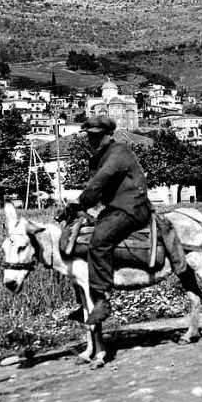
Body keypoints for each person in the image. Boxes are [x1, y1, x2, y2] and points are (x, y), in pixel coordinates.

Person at [58, 115, 153, 325]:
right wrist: (73, 209)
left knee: (99, 240)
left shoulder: (120, 151)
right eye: (90, 136)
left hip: (134, 207)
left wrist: (80, 202)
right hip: (115, 210)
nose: (92, 140)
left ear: (109, 135)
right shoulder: (97, 159)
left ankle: (102, 299)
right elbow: (95, 190)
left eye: (97, 136)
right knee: (78, 240)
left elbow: (100, 181)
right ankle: (84, 300)